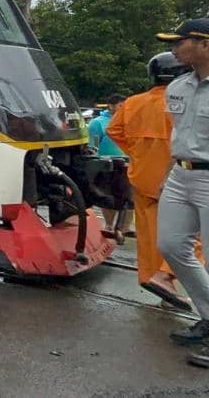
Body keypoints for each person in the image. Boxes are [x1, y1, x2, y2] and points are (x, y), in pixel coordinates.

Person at [107, 55, 196, 309]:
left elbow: (113, 131)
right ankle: (165, 275)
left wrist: (136, 151)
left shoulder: (133, 102)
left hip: (141, 176)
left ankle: (151, 280)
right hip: (174, 178)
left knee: (148, 236)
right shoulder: (180, 101)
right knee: (193, 234)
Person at [153, 19, 209, 367]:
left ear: (204, 43)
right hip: (180, 175)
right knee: (171, 245)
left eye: (180, 42)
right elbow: (178, 138)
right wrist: (167, 173)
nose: (174, 48)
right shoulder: (177, 87)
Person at [89, 94, 132, 239]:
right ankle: (109, 225)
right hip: (108, 164)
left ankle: (124, 228)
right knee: (109, 197)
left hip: (128, 163)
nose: (123, 109)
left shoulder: (130, 121)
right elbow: (92, 145)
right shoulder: (98, 123)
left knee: (129, 198)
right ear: (111, 106)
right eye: (121, 106)